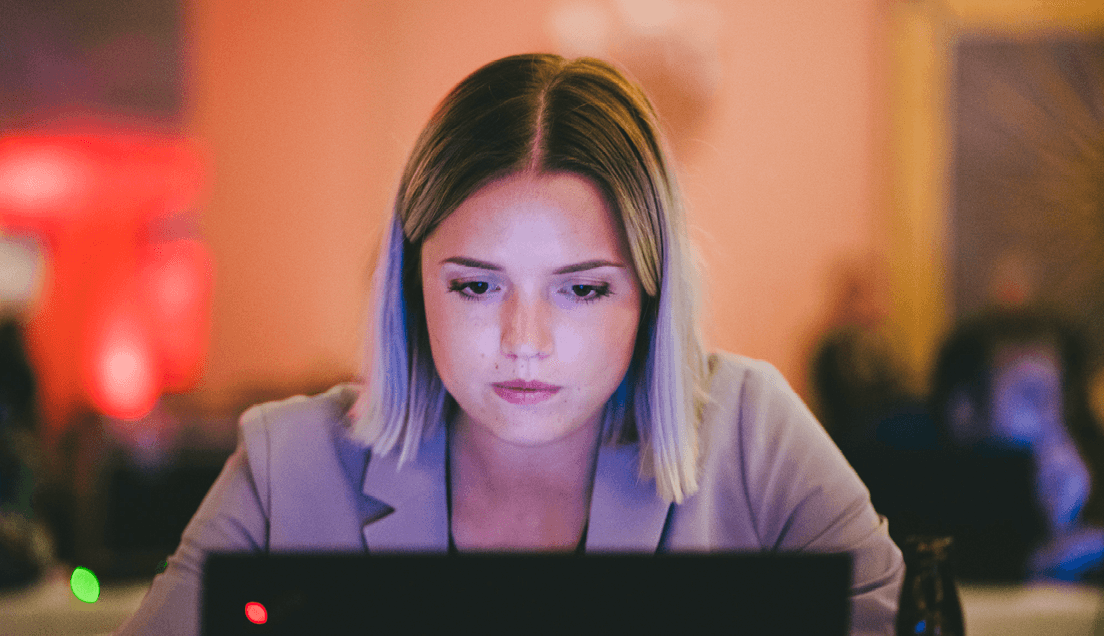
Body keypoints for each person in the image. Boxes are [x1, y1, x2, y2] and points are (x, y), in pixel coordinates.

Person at [115, 54, 902, 634]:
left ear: (653, 291)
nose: (525, 343)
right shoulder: (286, 468)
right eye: (476, 286)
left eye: (584, 288)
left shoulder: (754, 436)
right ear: (410, 285)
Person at [926, 306, 1104, 582]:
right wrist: (1046, 559)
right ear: (964, 410)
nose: (1054, 421)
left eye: (1061, 400)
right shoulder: (922, 507)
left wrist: (1068, 526)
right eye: (1033, 397)